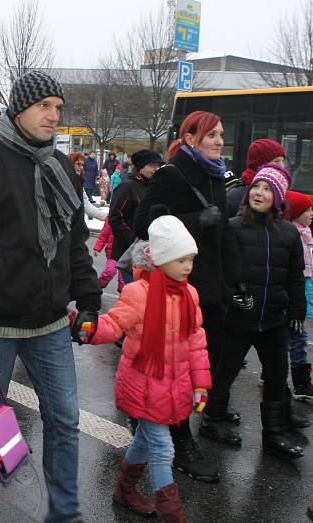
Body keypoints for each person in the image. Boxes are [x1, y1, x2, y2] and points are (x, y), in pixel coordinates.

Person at [0, 70, 101, 523]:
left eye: (58, 108)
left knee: (65, 421)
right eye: (44, 107)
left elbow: (73, 243)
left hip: (48, 322)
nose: (53, 116)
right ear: (19, 109)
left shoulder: (60, 168)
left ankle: (65, 513)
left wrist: (88, 299)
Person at [86, 214, 210, 522]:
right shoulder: (138, 293)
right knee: (163, 449)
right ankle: (173, 513)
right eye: (181, 260)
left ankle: (124, 491)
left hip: (174, 387)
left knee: (144, 440)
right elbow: (113, 325)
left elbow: (196, 344)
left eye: (190, 260)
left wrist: (200, 385)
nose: (187, 267)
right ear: (162, 259)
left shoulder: (190, 295)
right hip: (142, 386)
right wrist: (87, 329)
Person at [133, 111, 228, 483]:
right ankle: (178, 438)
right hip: (178, 287)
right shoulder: (172, 174)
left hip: (214, 283)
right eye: (212, 135)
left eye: (221, 135)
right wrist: (192, 220)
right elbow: (144, 222)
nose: (220, 141)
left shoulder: (218, 173)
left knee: (209, 360)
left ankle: (169, 421)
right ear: (190, 139)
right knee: (180, 367)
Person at [200, 164, 307, 459]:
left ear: (279, 197)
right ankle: (212, 419)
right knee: (226, 370)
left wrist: (297, 310)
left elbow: (295, 275)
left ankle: (273, 434)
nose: (259, 193)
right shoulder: (233, 227)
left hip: (273, 318)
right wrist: (232, 296)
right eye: (256, 187)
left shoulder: (288, 233)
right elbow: (220, 271)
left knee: (276, 374)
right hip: (237, 319)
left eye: (267, 189)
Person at [109, 149, 163, 284]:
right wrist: (132, 241)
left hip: (150, 253)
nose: (156, 169)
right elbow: (115, 217)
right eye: (152, 165)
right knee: (134, 296)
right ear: (140, 167)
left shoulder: (156, 187)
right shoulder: (127, 187)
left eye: (158, 166)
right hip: (130, 253)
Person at [285, 191, 313, 400]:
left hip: (302, 290)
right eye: (307, 210)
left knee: (294, 334)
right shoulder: (293, 235)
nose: (311, 213)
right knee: (297, 334)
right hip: (295, 292)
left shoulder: (306, 232)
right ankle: (301, 383)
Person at [226, 139, 286, 217]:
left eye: (282, 161)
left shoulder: (278, 190)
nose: (282, 166)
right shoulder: (234, 196)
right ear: (260, 164)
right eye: (276, 161)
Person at [69, 151, 108, 221]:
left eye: (82, 165)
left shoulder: (78, 182)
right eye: (78, 164)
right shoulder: (64, 180)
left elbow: (87, 206)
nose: (80, 167)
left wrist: (107, 217)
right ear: (70, 164)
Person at [93, 217, 123, 292]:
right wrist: (97, 248)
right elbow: (103, 235)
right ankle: (98, 286)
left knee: (123, 278)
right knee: (110, 271)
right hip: (112, 253)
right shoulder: (111, 218)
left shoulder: (131, 217)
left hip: (126, 253)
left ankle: (122, 294)